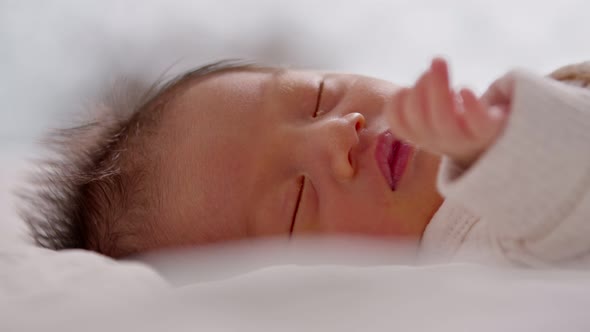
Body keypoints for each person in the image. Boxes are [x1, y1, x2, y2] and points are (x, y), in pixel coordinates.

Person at [20, 58, 590, 267]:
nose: (338, 134)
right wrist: (506, 146)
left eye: (319, 96)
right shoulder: (471, 249)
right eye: (296, 203)